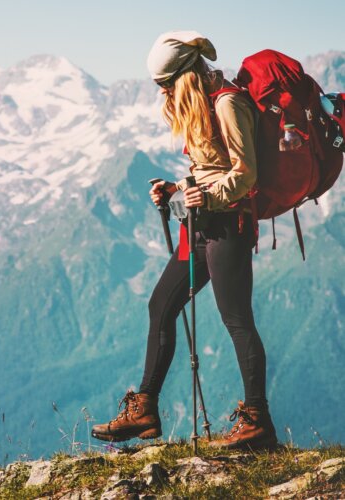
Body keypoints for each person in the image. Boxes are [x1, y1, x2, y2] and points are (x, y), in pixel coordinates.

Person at [90, 31, 277, 450]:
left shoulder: (228, 103)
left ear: (185, 76)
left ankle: (257, 421)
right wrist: (176, 187)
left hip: (228, 227)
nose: (165, 94)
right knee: (161, 304)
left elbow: (247, 174)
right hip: (201, 224)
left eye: (167, 86)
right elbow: (212, 167)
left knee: (237, 320)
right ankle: (145, 410)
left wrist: (205, 195)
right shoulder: (203, 105)